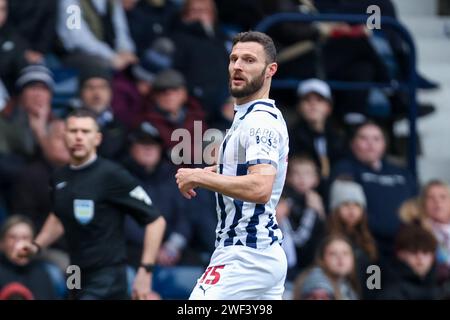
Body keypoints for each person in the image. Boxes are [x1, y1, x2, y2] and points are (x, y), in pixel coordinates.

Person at [175, 31, 289, 299]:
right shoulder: (252, 116)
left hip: (247, 254)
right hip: (259, 252)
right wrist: (217, 171)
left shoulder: (259, 121)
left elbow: (260, 187)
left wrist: (199, 177)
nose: (238, 66)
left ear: (270, 70)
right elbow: (254, 171)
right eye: (234, 59)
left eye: (249, 60)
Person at [11, 108, 166, 300]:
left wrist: (146, 270)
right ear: (64, 136)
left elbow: (155, 221)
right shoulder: (59, 176)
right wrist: (36, 246)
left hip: (107, 274)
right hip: (75, 271)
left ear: (97, 139)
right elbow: (60, 216)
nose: (78, 137)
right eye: (73, 131)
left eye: (85, 132)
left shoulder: (112, 175)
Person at [330, 120, 417, 260]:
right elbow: (345, 213)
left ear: (385, 144)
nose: (370, 143)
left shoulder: (403, 173)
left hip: (403, 249)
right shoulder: (344, 170)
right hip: (366, 247)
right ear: (352, 143)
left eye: (376, 138)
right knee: (373, 281)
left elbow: (416, 207)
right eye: (363, 138)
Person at [276, 156, 326, 279]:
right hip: (287, 262)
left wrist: (319, 212)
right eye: (296, 174)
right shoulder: (283, 200)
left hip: (310, 261)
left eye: (307, 174)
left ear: (316, 179)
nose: (302, 178)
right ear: (288, 177)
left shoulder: (318, 201)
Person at [0, 215, 57, 300]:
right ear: (2, 243)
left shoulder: (42, 273)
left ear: (32, 242)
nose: (19, 243)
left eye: (25, 237)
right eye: (12, 237)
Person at [378, 223, 440, 300]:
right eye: (413, 252)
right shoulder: (391, 290)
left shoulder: (440, 287)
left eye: (425, 252)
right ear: (400, 254)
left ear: (433, 256)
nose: (420, 258)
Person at [293, 234, 360, 300]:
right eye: (333, 253)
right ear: (322, 259)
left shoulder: (344, 283)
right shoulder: (317, 284)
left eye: (345, 253)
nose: (340, 258)